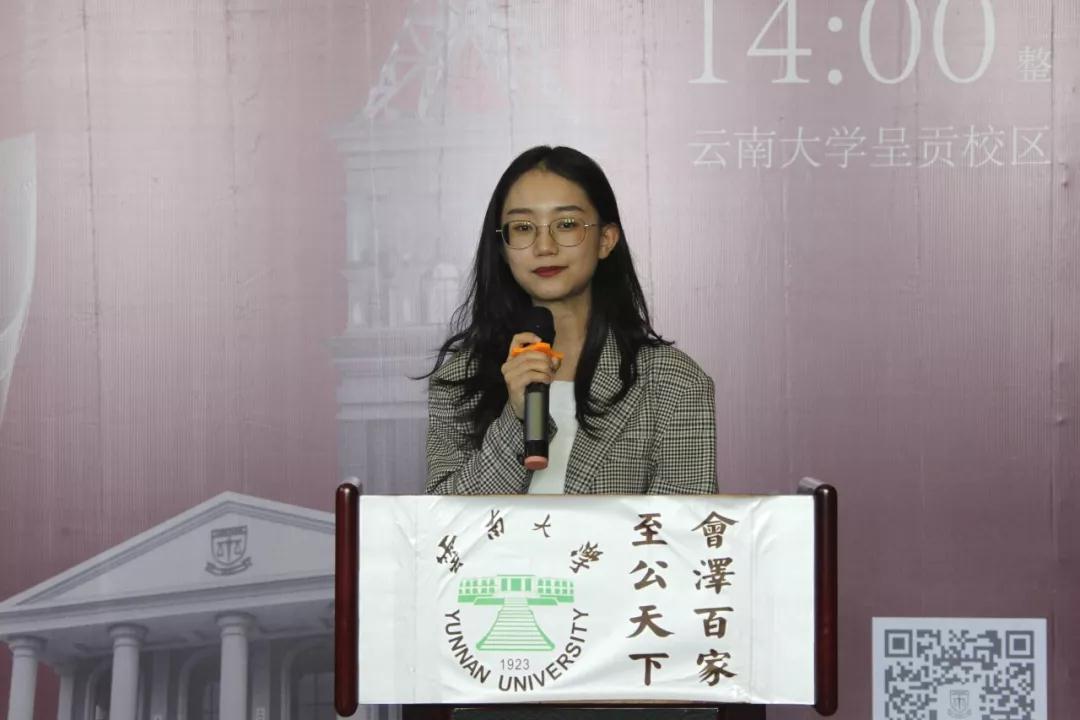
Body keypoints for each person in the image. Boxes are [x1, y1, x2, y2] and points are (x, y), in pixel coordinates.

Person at [424, 146, 716, 495]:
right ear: (503, 247)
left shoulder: (673, 383)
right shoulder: (459, 379)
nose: (544, 246)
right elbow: (444, 521)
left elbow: (682, 527)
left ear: (605, 240)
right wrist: (515, 419)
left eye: (565, 225)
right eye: (523, 227)